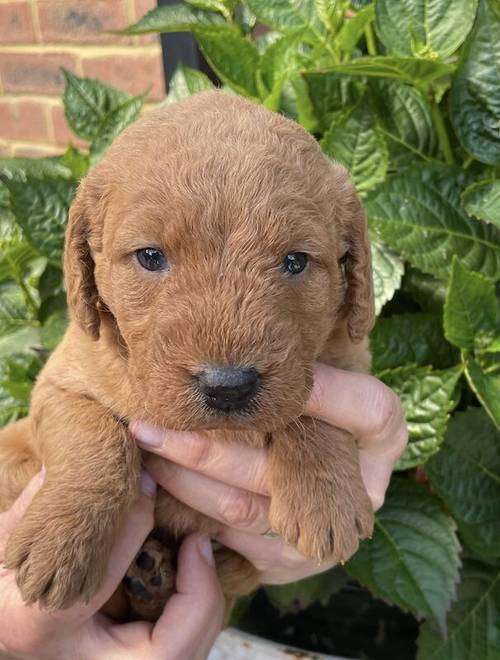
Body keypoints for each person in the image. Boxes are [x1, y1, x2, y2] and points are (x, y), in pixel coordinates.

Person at [0, 365, 407, 660]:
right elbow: (64, 390)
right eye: (152, 258)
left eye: (294, 262)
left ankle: (152, 589)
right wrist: (90, 482)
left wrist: (317, 452)